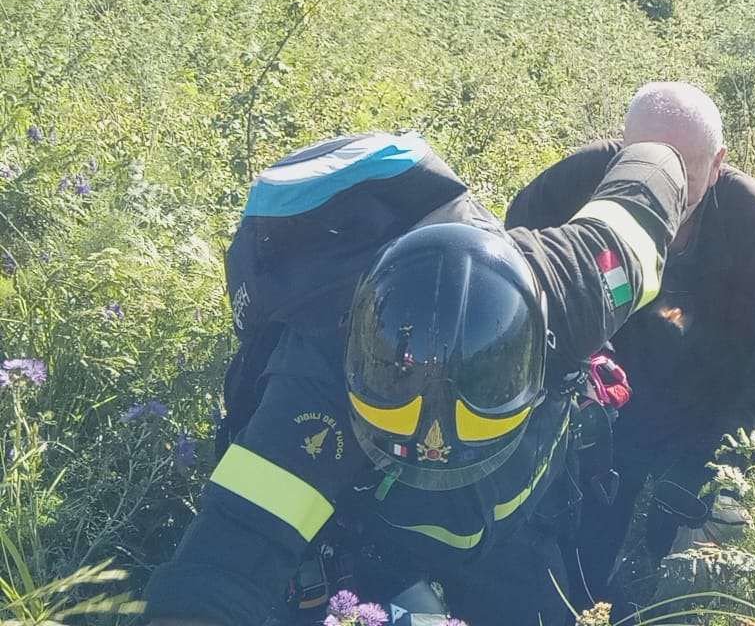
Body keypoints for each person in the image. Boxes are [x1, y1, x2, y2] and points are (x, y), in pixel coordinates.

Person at [142, 132, 690, 626]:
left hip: (516, 534)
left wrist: (658, 140)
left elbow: (646, 191)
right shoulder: (313, 388)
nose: (431, 448)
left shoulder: (573, 284)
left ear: (539, 349)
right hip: (371, 534)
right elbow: (223, 562)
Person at [503, 83, 755, 609]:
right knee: (569, 565)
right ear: (621, 150)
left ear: (718, 165)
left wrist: (730, 474)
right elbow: (509, 288)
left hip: (701, 411)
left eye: (686, 166)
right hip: (593, 399)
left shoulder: (746, 216)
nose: (666, 184)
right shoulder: (579, 181)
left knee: (678, 582)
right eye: (647, 157)